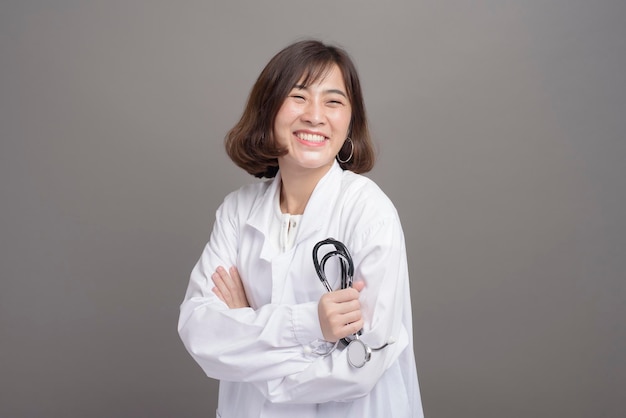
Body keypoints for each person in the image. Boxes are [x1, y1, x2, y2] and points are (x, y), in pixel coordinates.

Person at [178, 39, 424, 418]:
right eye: (298, 97)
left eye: (333, 101)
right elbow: (200, 331)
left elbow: (361, 366)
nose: (315, 116)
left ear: (349, 121)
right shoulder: (237, 212)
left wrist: (247, 330)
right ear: (268, 109)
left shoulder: (370, 212)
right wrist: (312, 323)